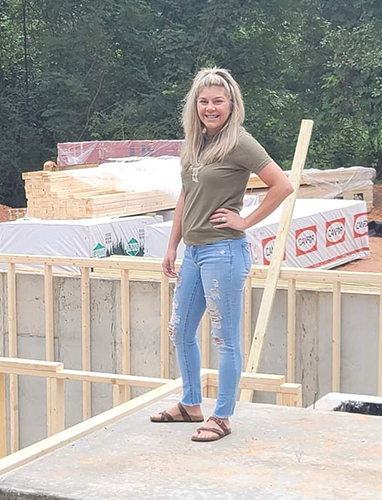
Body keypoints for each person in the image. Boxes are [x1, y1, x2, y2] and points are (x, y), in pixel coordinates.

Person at [149, 67, 293, 442]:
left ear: (232, 105)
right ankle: (190, 404)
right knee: (180, 330)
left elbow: (283, 185)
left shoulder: (240, 142)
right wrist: (172, 244)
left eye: (218, 101)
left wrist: (245, 221)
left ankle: (223, 416)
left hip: (224, 252)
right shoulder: (195, 144)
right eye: (203, 101)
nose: (210, 108)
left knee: (224, 338)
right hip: (195, 252)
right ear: (194, 106)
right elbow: (186, 196)